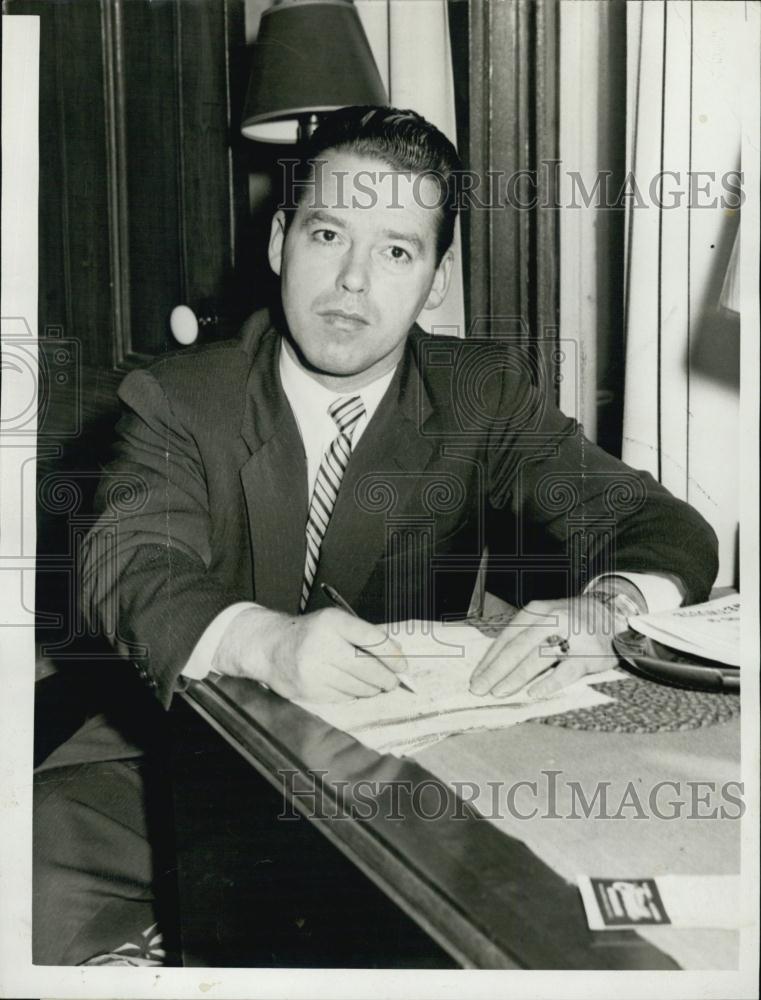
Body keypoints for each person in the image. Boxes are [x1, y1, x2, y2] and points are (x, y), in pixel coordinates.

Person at [33, 106, 718, 965]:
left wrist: (603, 607)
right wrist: (267, 643)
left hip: (397, 779)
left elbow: (660, 525)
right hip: (165, 769)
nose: (353, 280)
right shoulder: (182, 397)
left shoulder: (479, 394)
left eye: (396, 249)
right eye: (328, 234)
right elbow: (127, 565)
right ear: (281, 242)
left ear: (434, 282)